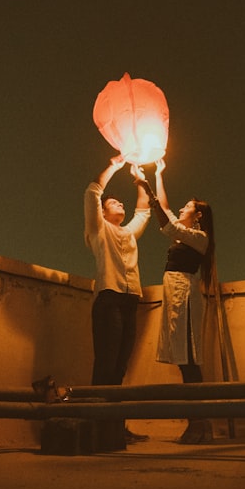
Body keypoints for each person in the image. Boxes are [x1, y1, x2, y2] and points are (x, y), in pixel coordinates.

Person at [134, 159, 216, 444]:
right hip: (177, 296)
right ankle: (198, 423)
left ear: (199, 216)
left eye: (188, 206)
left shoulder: (199, 237)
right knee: (185, 361)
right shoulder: (188, 235)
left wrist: (149, 190)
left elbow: (167, 221)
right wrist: (159, 174)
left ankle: (199, 423)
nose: (183, 208)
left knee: (189, 361)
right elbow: (168, 212)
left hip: (185, 298)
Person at [83, 155, 151, 443]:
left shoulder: (127, 233)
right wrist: (115, 164)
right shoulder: (98, 230)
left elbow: (144, 212)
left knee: (121, 366)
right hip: (109, 299)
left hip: (130, 300)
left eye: (121, 203)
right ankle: (95, 427)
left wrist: (140, 182)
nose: (120, 204)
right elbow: (92, 191)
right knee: (106, 364)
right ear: (102, 211)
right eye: (114, 203)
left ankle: (114, 428)